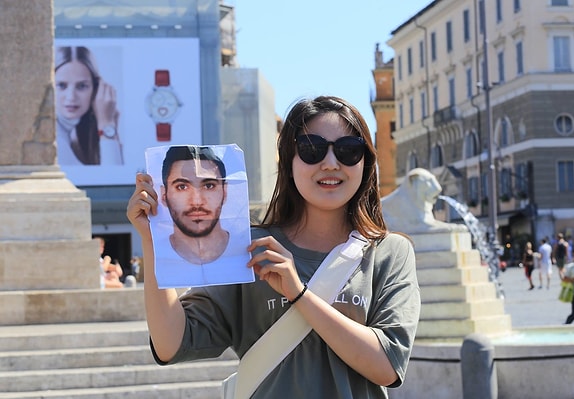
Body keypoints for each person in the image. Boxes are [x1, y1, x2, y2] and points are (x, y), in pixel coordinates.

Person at [127, 95, 421, 397]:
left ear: (366, 162)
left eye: (348, 151)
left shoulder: (389, 252)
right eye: (312, 150)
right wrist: (153, 242)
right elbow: (171, 343)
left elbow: (387, 365)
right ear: (288, 161)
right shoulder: (248, 247)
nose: (331, 163)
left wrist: (298, 293)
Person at [159, 146, 230, 265]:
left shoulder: (251, 249)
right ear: (164, 195)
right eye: (182, 187)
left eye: (209, 186)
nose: (197, 201)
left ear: (225, 192)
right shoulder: (156, 252)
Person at [54, 46, 123, 165]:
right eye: (61, 85)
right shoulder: (57, 144)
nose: (71, 97)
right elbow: (112, 176)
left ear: (96, 90)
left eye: (81, 86)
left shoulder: (74, 137)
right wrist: (106, 124)